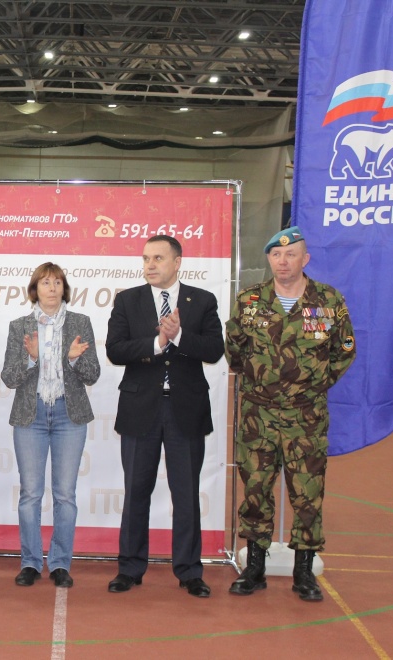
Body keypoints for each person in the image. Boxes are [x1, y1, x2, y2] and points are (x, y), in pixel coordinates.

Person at [226, 226, 356, 602]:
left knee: (307, 494)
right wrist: (263, 384)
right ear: (269, 259)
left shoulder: (328, 300)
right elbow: (234, 350)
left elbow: (345, 350)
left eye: (290, 255)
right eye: (276, 255)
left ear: (305, 259)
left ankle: (304, 571)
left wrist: (312, 385)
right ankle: (255, 568)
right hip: (259, 416)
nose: (282, 262)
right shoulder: (249, 300)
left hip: (306, 417)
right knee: (255, 491)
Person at [105, 235, 224, 598]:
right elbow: (115, 350)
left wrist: (180, 335)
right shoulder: (128, 299)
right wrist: (157, 344)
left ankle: (189, 571)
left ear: (177, 262)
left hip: (185, 410)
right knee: (136, 491)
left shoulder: (202, 300)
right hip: (140, 409)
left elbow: (214, 350)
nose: (150, 265)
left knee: (186, 494)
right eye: (146, 259)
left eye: (158, 258)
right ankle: (130, 568)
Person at [0, 263, 100, 588]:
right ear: (35, 289)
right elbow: (9, 377)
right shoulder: (20, 327)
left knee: (65, 495)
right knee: (30, 493)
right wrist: (31, 358)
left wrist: (73, 359)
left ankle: (60, 563)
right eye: (45, 282)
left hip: (69, 415)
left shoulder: (80, 323)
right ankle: (30, 562)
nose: (52, 288)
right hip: (31, 416)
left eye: (57, 282)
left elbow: (93, 374)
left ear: (64, 288)